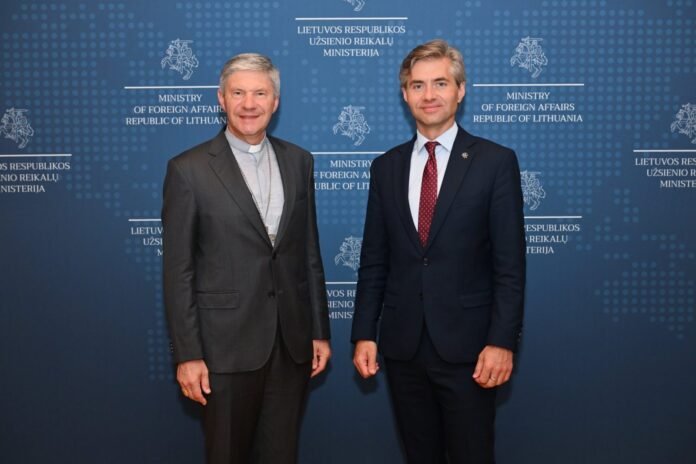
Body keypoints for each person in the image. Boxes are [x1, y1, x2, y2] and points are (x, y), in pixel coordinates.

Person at [351, 39, 525, 464]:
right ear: (405, 93)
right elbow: (374, 260)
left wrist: (501, 342)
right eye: (418, 85)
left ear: (460, 90)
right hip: (403, 348)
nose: (429, 95)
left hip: (471, 350)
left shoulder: (495, 162)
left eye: (440, 83)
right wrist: (364, 333)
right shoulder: (385, 167)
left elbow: (509, 266)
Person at [162, 53, 331, 464]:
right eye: (238, 93)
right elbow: (178, 272)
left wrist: (318, 330)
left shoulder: (299, 161)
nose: (249, 104)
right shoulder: (188, 169)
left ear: (276, 101)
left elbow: (308, 252)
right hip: (223, 350)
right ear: (221, 99)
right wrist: (188, 354)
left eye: (260, 93)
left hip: (290, 346)